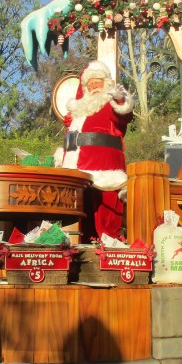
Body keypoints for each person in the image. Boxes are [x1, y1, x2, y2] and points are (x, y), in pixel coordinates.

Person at [54, 60, 134, 239]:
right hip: (77, 175)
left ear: (106, 83)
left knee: (107, 220)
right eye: (90, 84)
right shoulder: (78, 112)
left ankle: (108, 248)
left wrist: (120, 100)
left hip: (105, 172)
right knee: (81, 220)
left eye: (98, 82)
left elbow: (124, 116)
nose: (94, 87)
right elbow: (71, 139)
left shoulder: (110, 105)